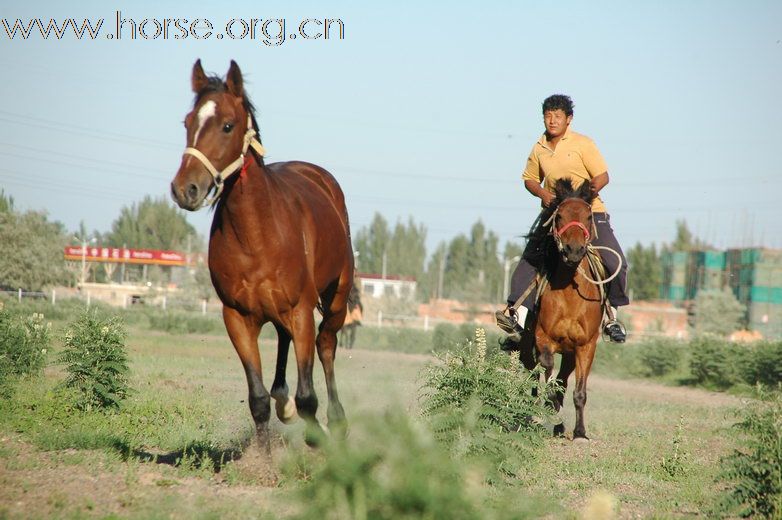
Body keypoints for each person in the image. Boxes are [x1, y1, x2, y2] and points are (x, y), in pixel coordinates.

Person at [502, 94, 628, 343]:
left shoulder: (583, 144)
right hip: (555, 216)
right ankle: (514, 313)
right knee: (529, 260)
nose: (552, 120)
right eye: (548, 116)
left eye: (558, 116)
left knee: (617, 264)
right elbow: (529, 178)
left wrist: (582, 199)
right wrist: (542, 193)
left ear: (568, 119)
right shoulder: (539, 147)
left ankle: (612, 318)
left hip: (590, 213)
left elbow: (603, 176)